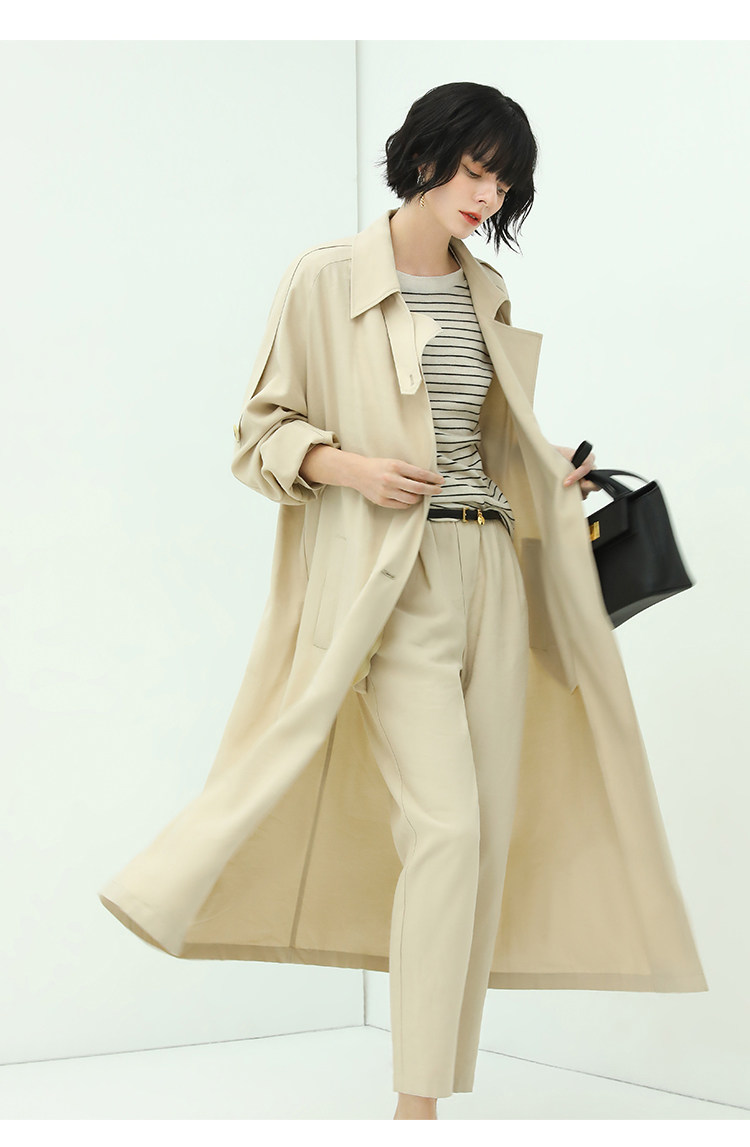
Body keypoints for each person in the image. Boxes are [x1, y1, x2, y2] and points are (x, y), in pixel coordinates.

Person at [297, 82, 596, 1120]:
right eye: (475, 171)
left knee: (486, 834)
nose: (487, 195)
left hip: (492, 566)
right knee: (447, 831)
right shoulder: (328, 277)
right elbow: (259, 433)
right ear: (424, 157)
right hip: (397, 576)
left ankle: (427, 1089)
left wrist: (555, 475)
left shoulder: (486, 291)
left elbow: (489, 438)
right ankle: (413, 1109)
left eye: (503, 182)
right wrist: (353, 467)